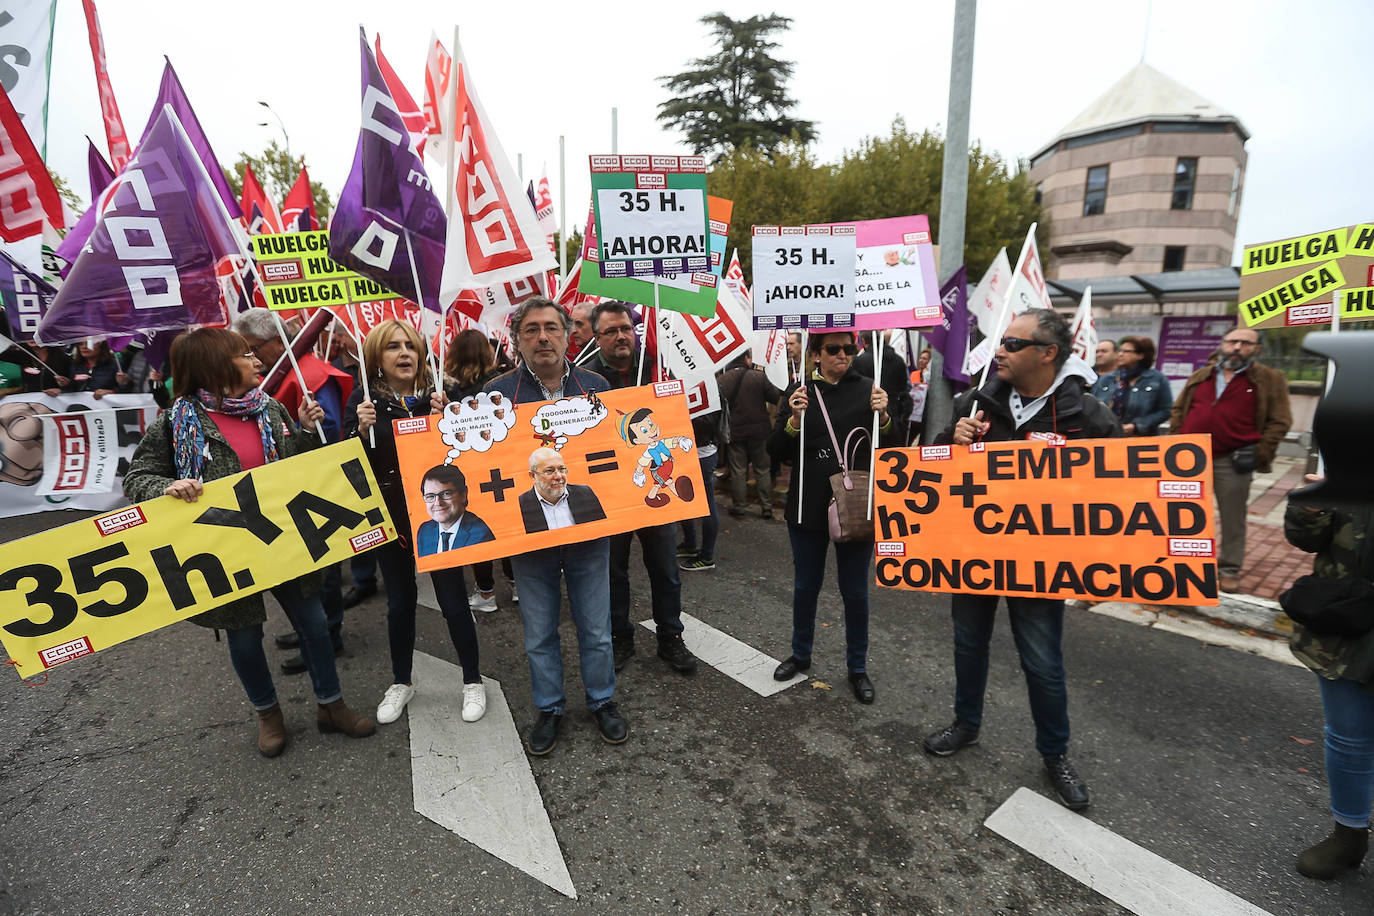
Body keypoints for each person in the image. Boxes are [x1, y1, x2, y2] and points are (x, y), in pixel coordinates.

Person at [123, 327, 375, 757]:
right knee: (244, 639)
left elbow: (297, 469)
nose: (257, 361)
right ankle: (268, 714)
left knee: (314, 625)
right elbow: (137, 478)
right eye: (244, 355)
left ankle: (331, 705)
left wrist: (307, 433)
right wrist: (167, 487)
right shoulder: (177, 421)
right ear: (215, 366)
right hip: (223, 551)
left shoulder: (271, 409)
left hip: (283, 541)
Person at [924, 309, 1122, 811]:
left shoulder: (1088, 415)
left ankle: (1054, 753)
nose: (1001, 351)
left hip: (1041, 565)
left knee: (1042, 662)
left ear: (1048, 353)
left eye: (1013, 344)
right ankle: (966, 724)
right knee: (969, 644)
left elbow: (1121, 492)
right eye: (1001, 343)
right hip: (975, 556)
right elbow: (935, 472)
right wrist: (953, 443)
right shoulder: (976, 401)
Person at [486, 297, 628, 755]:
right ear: (517, 340)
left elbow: (617, 454)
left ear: (569, 336)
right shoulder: (497, 394)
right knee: (539, 632)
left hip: (587, 529)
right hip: (530, 535)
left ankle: (602, 700)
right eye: (531, 329)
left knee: (596, 628)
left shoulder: (596, 384)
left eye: (551, 327)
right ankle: (549, 708)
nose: (543, 337)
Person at [346, 320, 487, 726]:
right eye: (392, 347)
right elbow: (345, 463)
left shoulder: (443, 396)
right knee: (399, 602)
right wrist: (359, 431)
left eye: (410, 345)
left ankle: (472, 680)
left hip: (439, 515)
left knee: (452, 599)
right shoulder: (365, 401)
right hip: (390, 518)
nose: (404, 353)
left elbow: (470, 453)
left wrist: (452, 421)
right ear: (376, 357)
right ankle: (401, 682)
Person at [767, 330, 898, 705]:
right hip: (808, 505)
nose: (843, 355)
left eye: (849, 348)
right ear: (816, 354)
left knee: (854, 592)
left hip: (856, 505)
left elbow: (895, 446)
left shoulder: (870, 388)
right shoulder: (800, 391)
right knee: (805, 587)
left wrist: (885, 416)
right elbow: (774, 449)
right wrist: (793, 419)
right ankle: (800, 654)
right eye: (834, 349)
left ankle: (857, 668)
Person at [235, 308, 355, 671]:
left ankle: (327, 636)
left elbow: (329, 434)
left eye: (254, 348)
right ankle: (312, 630)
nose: (252, 358)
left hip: (318, 487)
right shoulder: (287, 373)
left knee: (325, 570)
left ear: (277, 342)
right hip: (294, 488)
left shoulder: (311, 376)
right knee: (308, 574)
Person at [589, 301, 700, 675]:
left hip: (657, 495)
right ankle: (621, 637)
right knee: (613, 572)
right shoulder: (588, 381)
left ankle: (671, 637)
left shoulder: (660, 368)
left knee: (666, 568)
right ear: (597, 336)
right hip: (613, 497)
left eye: (626, 328)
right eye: (611, 330)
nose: (621, 335)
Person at [1283, 477, 1374, 880]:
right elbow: (1305, 538)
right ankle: (1349, 834)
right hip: (1346, 625)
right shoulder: (1354, 441)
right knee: (1348, 738)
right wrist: (1311, 503)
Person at [1170, 326, 1292, 593]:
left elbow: (1280, 421)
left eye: (1245, 343)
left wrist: (1260, 450)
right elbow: (1180, 409)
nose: (1237, 347)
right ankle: (1182, 562)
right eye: (1232, 341)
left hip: (1232, 459)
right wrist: (1175, 441)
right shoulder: (1202, 375)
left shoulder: (1270, 379)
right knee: (1182, 514)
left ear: (1256, 349)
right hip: (1190, 458)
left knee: (1232, 517)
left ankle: (1229, 568)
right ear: (1223, 344)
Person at [445, 328, 514, 612]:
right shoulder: (499, 386)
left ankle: (486, 595)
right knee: (507, 527)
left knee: (478, 530)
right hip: (501, 466)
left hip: (470, 470)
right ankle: (517, 583)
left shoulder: (450, 393)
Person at [718, 353, 781, 519]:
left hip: (736, 431)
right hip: (759, 430)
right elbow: (774, 397)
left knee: (738, 470)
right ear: (746, 359)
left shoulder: (723, 380)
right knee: (762, 469)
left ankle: (740, 507)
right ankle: (766, 506)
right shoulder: (759, 377)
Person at [1089, 336, 1172, 436]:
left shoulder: (1157, 379)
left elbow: (1166, 410)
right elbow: (1093, 407)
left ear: (1140, 355)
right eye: (1120, 351)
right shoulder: (1107, 378)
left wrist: (1137, 426)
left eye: (1126, 351)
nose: (1120, 354)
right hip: (1109, 438)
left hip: (1142, 439)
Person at [415, 464, 495, 555]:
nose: (438, 503)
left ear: (463, 495)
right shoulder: (424, 531)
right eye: (430, 496)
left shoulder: (481, 534)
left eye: (446, 494)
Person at [678, 408, 722, 571]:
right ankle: (690, 545)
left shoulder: (703, 387)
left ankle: (706, 556)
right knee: (684, 498)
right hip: (698, 450)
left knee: (707, 503)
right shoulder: (713, 387)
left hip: (700, 452)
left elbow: (705, 422)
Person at [854, 331, 913, 443]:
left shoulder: (860, 361)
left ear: (863, 342)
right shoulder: (899, 360)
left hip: (868, 419)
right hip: (894, 417)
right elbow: (905, 389)